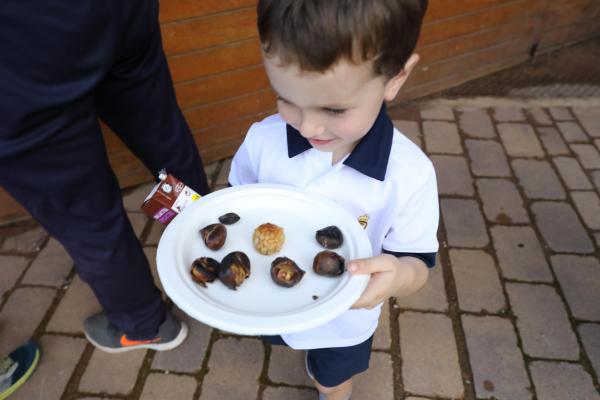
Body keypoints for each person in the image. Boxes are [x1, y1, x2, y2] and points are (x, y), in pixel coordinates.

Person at [228, 1, 437, 399]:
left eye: (335, 108)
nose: (308, 126)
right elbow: (239, 200)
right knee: (280, 337)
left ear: (396, 77)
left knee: (332, 378)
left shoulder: (409, 175)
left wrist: (399, 275)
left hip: (344, 321)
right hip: (271, 301)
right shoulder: (263, 140)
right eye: (286, 99)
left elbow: (418, 263)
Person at [0, 1, 209, 352]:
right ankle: (206, 242)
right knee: (162, 146)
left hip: (17, 52)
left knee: (86, 215)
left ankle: (146, 324)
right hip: (116, 13)